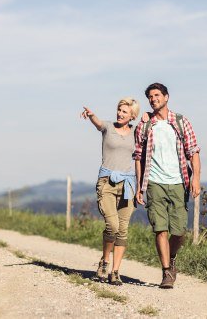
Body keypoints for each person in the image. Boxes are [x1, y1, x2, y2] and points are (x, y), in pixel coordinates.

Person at [134, 82, 201, 289]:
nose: (153, 99)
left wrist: (196, 178)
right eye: (150, 97)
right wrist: (139, 186)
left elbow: (193, 152)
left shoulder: (181, 122)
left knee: (179, 231)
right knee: (160, 229)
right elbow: (138, 157)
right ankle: (166, 273)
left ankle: (171, 257)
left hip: (179, 181)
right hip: (154, 182)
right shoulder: (144, 125)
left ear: (166, 97)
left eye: (157, 95)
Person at [81, 98, 140, 285]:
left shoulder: (136, 132)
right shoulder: (107, 127)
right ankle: (104, 261)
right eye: (119, 110)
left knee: (123, 230)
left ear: (132, 116)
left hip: (127, 184)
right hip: (107, 182)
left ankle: (115, 271)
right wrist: (91, 115)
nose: (120, 114)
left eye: (125, 112)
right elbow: (97, 123)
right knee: (112, 225)